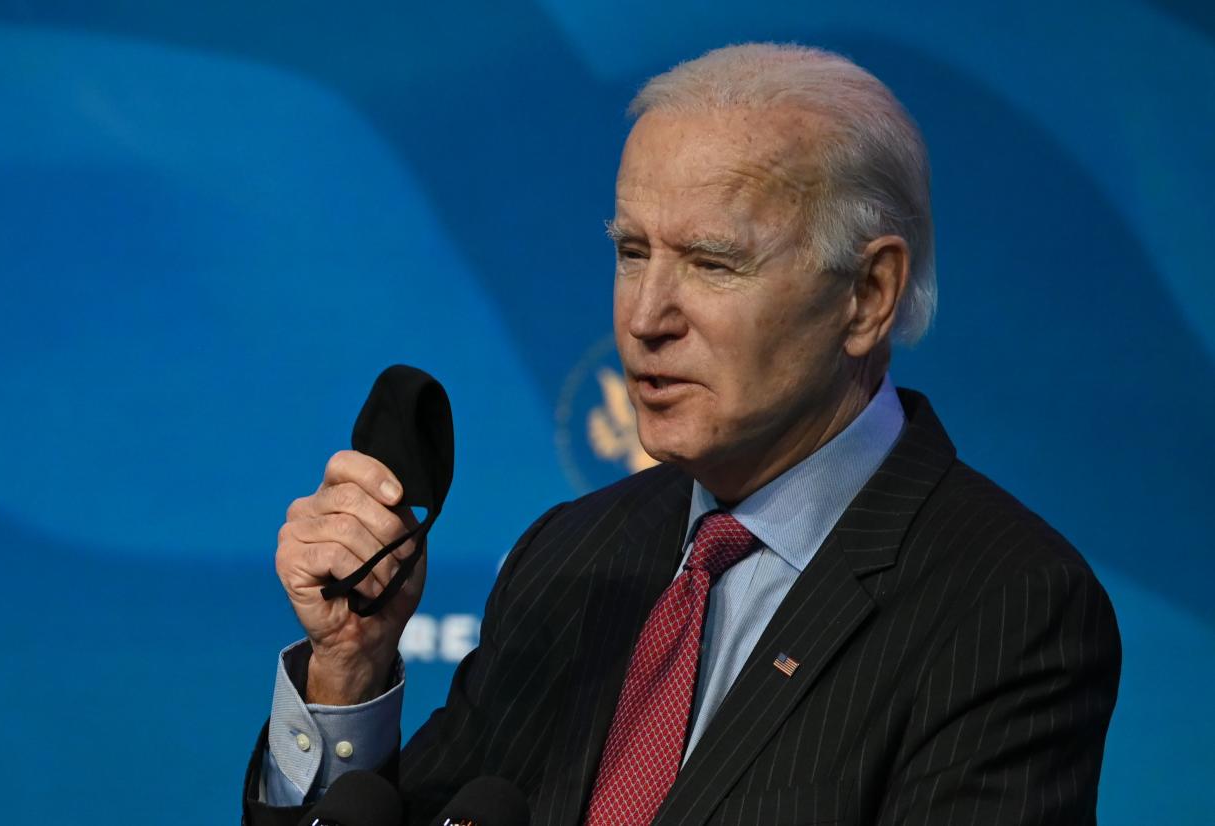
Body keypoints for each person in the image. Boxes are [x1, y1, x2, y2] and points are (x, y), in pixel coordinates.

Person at [243, 43, 1120, 825]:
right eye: (632, 253)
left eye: (712, 262)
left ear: (868, 295)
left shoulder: (1009, 603)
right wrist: (349, 669)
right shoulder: (573, 555)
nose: (646, 316)